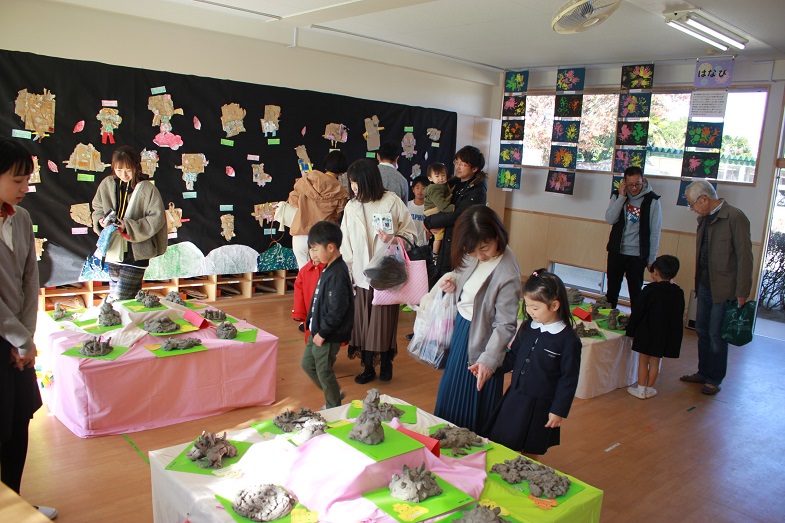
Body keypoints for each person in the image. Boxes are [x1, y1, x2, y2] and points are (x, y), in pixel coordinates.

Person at [0, 139, 57, 520]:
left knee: (20, 419)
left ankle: (15, 505)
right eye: (17, 180)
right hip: (6, 337)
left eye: (27, 180)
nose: (24, 188)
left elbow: (28, 278)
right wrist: (19, 338)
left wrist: (27, 337)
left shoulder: (19, 218)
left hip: (18, 340)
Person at [433, 205, 521, 434]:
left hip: (483, 342)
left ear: (497, 235)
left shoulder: (507, 272)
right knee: (450, 396)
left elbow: (505, 324)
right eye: (473, 251)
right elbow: (466, 276)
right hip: (462, 330)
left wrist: (489, 360)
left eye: (485, 248)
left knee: (473, 407)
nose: (480, 256)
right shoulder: (473, 250)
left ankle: (470, 452)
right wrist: (454, 280)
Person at [485, 269, 581, 456]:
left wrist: (558, 410)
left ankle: (527, 472)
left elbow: (568, 380)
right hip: (515, 395)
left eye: (535, 308)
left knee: (530, 447)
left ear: (554, 305)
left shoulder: (568, 340)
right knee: (504, 439)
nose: (529, 311)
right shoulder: (528, 326)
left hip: (541, 404)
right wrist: (491, 367)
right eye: (527, 305)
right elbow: (513, 356)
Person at [340, 159, 418, 384]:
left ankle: (385, 363)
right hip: (361, 275)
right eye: (351, 182)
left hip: (385, 274)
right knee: (363, 323)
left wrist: (393, 238)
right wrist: (348, 271)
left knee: (383, 323)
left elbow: (411, 234)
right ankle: (367, 366)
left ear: (369, 180)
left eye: (356, 182)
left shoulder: (391, 201)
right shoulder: (351, 206)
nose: (353, 187)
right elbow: (345, 242)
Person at [680, 180, 753, 396]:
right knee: (701, 330)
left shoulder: (735, 217)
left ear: (704, 199)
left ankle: (715, 378)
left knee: (716, 334)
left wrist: (742, 291)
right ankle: (703, 372)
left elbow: (745, 257)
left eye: (692, 204)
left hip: (724, 287)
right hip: (704, 284)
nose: (692, 208)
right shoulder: (704, 218)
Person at [91, 145, 167, 301]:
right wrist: (100, 221)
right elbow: (97, 207)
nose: (123, 175)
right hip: (113, 248)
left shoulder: (147, 188)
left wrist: (128, 226)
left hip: (137, 253)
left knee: (122, 298)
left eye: (128, 170)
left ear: (136, 166)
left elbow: (157, 218)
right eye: (118, 170)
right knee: (118, 297)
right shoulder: (107, 184)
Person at [301, 221, 354, 410]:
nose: (312, 254)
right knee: (308, 364)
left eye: (315, 249)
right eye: (310, 249)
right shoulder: (328, 267)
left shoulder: (338, 272)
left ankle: (333, 406)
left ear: (331, 248)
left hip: (328, 334)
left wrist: (323, 333)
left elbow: (338, 309)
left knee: (323, 369)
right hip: (318, 329)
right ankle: (334, 393)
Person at [423, 146, 488, 283]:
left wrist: (429, 222)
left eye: (463, 164)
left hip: (459, 243)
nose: (457, 167)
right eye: (456, 163)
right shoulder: (456, 182)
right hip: (446, 239)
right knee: (441, 279)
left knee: (453, 280)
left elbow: (458, 215)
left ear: (474, 168)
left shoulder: (477, 190)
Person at [625, 255, 685, 399]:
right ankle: (650, 389)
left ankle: (640, 389)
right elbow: (678, 316)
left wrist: (631, 331)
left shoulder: (650, 290)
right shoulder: (678, 292)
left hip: (646, 331)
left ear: (656, 272)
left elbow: (638, 312)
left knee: (643, 361)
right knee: (655, 362)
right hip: (663, 334)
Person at [604, 166, 662, 308]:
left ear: (643, 180)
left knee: (636, 294)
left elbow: (655, 232)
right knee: (611, 292)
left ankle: (635, 321)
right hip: (616, 252)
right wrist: (622, 197)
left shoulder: (652, 200)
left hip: (637, 255)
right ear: (624, 182)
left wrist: (651, 259)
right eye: (630, 184)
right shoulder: (617, 195)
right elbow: (610, 219)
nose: (634, 188)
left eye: (638, 184)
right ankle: (608, 319)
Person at [286, 150, 349, 269]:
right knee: (322, 275)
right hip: (322, 237)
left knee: (304, 274)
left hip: (300, 234)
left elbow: (293, 200)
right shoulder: (341, 192)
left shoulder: (308, 178)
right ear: (343, 170)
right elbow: (336, 216)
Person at [422, 162, 454, 266]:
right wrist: (454, 208)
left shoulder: (442, 186)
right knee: (439, 234)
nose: (441, 178)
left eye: (443, 175)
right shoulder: (435, 188)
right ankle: (435, 254)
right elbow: (442, 206)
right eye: (437, 176)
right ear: (430, 178)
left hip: (433, 214)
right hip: (434, 213)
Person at [292, 248, 325, 338]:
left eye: (317, 250)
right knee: (310, 339)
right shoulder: (304, 271)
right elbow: (299, 294)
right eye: (312, 250)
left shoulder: (331, 270)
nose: (315, 254)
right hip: (310, 314)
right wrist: (299, 313)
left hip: (326, 316)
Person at [407, 175, 430, 248]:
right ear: (413, 189)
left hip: (423, 246)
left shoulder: (430, 207)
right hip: (407, 243)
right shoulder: (407, 205)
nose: (420, 191)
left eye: (423, 188)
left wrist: (425, 239)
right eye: (417, 188)